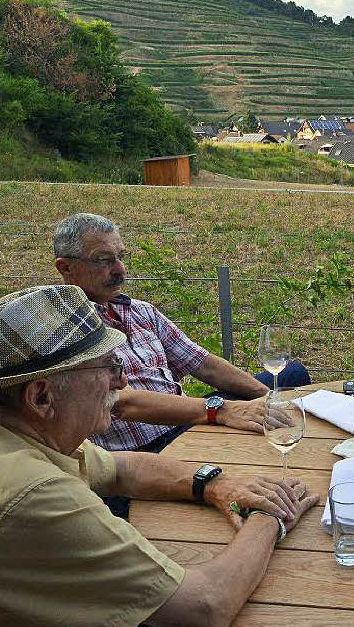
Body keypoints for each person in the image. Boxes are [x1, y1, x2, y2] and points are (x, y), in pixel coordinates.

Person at [0, 285, 317, 627]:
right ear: (42, 398)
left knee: (140, 610)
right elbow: (205, 609)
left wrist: (213, 483)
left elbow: (119, 469)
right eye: (107, 366)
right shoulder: (30, 496)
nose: (122, 380)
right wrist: (271, 513)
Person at [53, 213, 311, 516]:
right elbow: (119, 403)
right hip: (138, 455)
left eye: (121, 257)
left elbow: (204, 364)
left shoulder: (141, 311)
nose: (119, 269)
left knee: (290, 375)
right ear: (66, 267)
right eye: (103, 260)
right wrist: (221, 410)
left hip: (189, 420)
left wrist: (266, 398)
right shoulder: (65, 327)